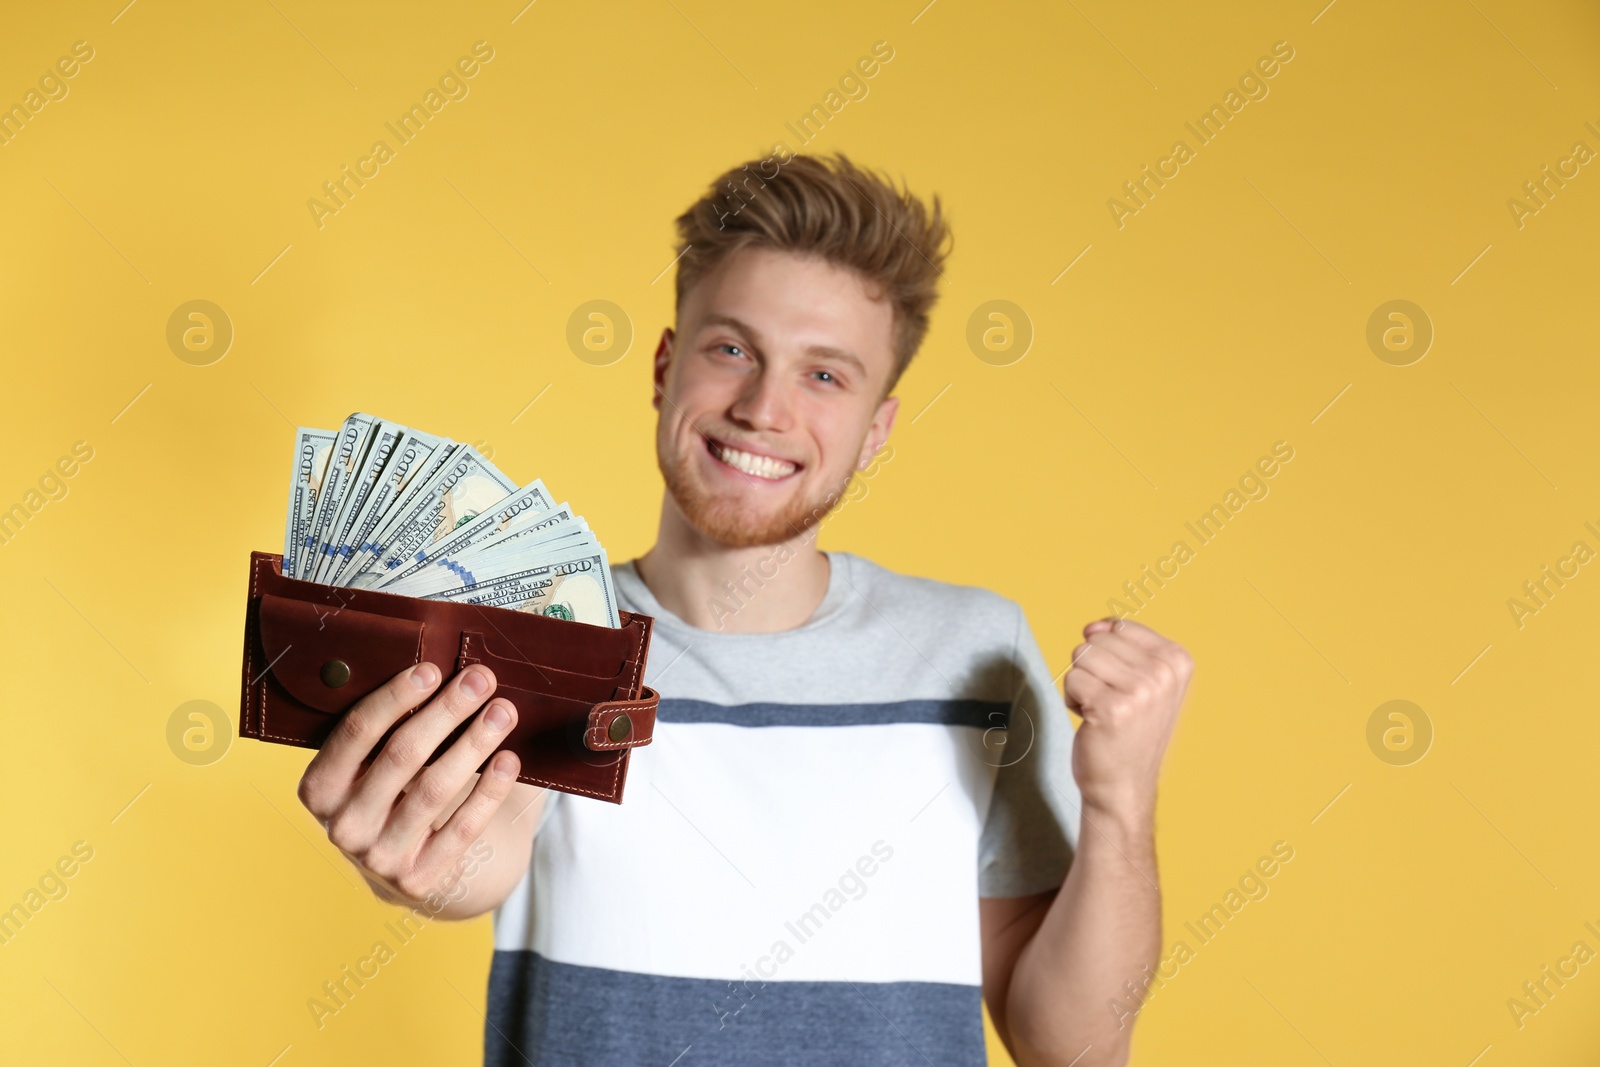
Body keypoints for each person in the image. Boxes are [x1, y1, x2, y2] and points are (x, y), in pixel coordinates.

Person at [295, 152, 1193, 1066]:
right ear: (664, 365)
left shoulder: (976, 652)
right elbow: (474, 868)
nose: (765, 408)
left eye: (826, 376)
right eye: (732, 349)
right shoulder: (548, 635)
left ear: (876, 431)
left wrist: (1121, 804)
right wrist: (413, 859)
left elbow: (1074, 1047)